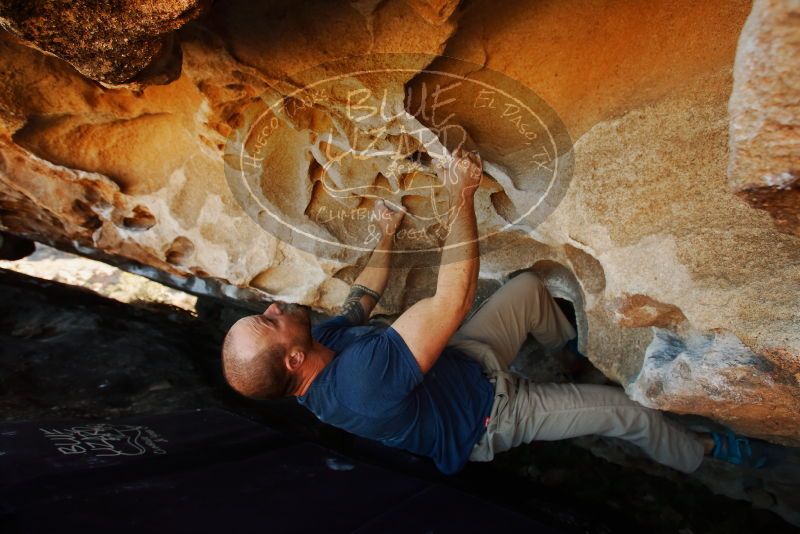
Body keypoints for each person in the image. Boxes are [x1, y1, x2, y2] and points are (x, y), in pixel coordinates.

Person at [221, 149, 762, 475]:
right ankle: (707, 449)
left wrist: (386, 235)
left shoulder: (322, 346)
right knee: (626, 413)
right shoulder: (358, 384)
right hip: (490, 416)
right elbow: (452, 300)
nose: (271, 306)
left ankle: (572, 357)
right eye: (267, 321)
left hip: (463, 365)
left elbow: (360, 299)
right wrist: (462, 195)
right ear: (293, 360)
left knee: (527, 288)